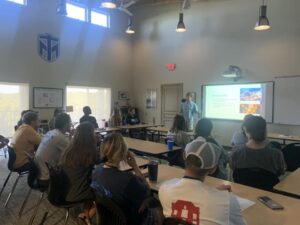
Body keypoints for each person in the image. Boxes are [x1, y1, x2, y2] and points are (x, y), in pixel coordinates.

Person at [159, 138, 246, 225]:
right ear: (213, 168)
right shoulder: (227, 201)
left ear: (184, 156)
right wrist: (216, 193)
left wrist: (215, 191)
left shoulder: (164, 189)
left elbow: (192, 194)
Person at [91, 134, 161, 225]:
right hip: (132, 220)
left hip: (110, 219)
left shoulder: (97, 170)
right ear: (123, 152)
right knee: (158, 206)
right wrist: (135, 167)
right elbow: (147, 191)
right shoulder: (128, 179)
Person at [60, 122, 97, 224]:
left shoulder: (69, 149)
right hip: (78, 192)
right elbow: (101, 162)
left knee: (89, 181)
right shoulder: (89, 151)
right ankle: (87, 216)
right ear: (90, 135)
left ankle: (85, 213)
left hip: (65, 190)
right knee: (106, 192)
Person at [35, 113, 72, 187]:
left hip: (38, 170)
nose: (71, 124)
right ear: (66, 124)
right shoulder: (60, 137)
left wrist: (70, 136)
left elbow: (68, 146)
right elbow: (73, 152)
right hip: (48, 174)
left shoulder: (51, 132)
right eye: (70, 122)